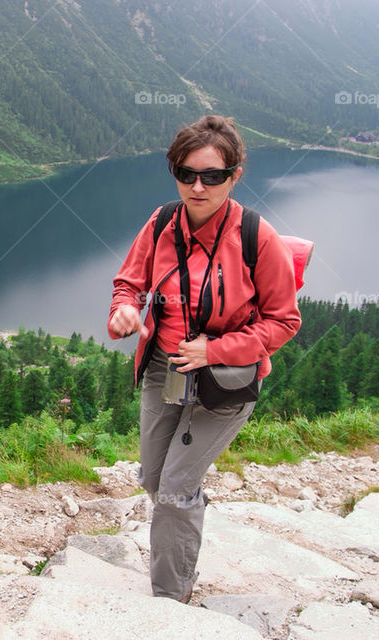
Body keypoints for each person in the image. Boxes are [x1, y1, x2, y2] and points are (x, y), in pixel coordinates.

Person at [107, 115, 301, 603]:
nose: (197, 186)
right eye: (185, 172)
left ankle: (170, 601)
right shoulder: (162, 222)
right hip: (163, 371)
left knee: (173, 487)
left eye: (212, 176)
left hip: (225, 381)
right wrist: (125, 310)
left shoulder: (258, 237)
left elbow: (284, 321)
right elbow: (130, 282)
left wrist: (214, 349)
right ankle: (185, 510)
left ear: (235, 176)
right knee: (155, 479)